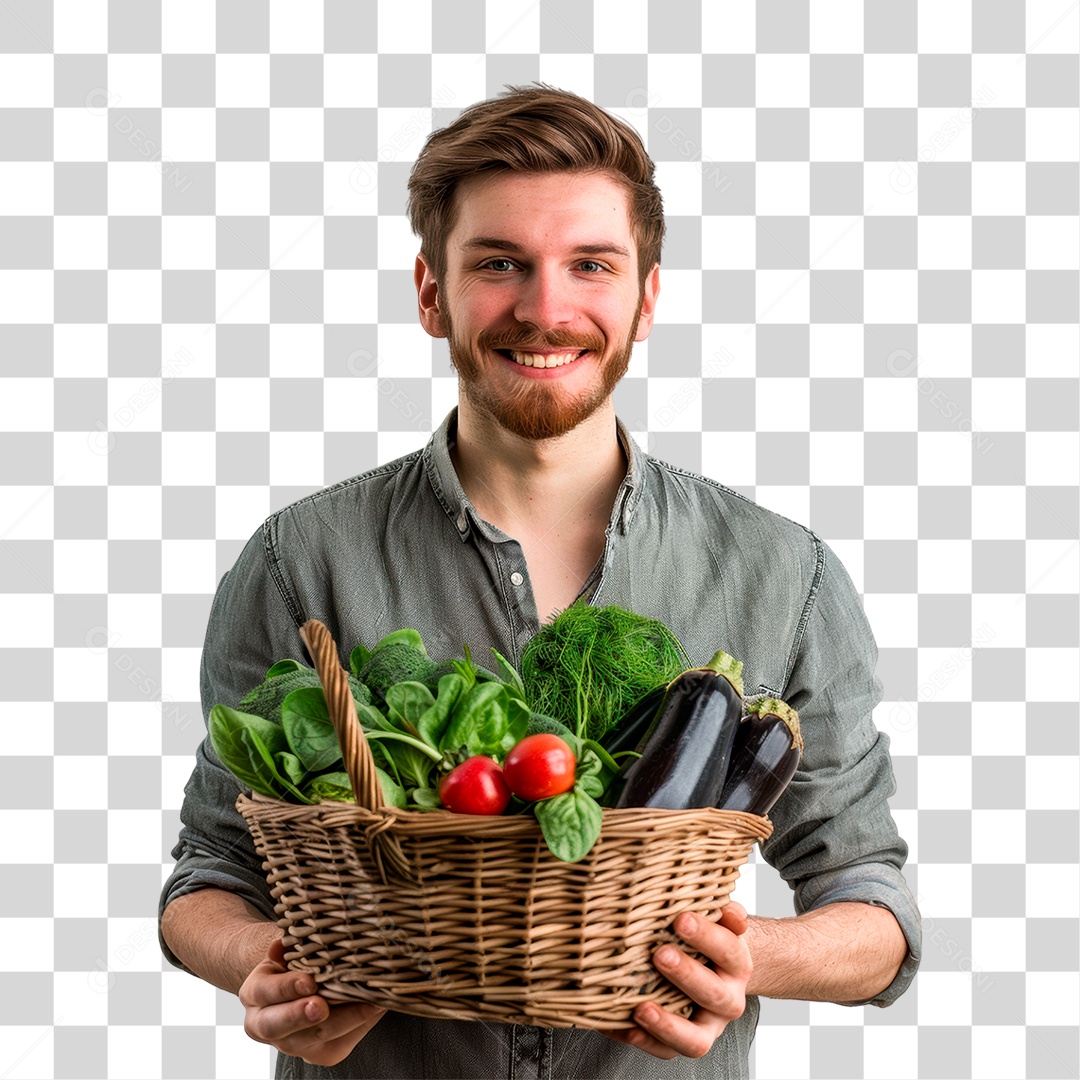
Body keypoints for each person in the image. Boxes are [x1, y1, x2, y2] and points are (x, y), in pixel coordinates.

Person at [159, 84, 921, 1079]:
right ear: (432, 293)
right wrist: (268, 966)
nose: (545, 308)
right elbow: (210, 874)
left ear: (646, 298)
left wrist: (747, 960)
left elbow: (875, 907)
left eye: (590, 265)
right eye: (499, 264)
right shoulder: (303, 559)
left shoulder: (784, 574)